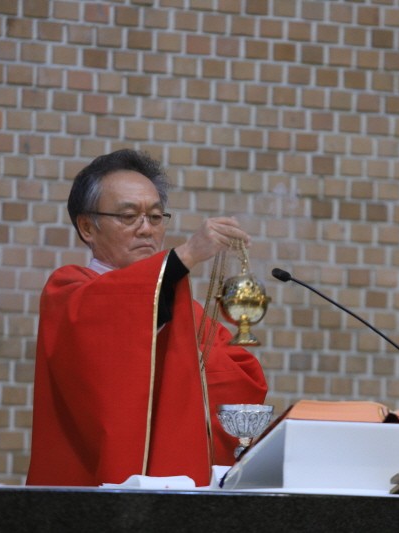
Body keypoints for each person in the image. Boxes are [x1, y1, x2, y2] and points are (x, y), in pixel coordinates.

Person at [27, 149, 268, 487]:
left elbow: (239, 385)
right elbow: (112, 318)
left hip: (179, 489)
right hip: (90, 489)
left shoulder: (190, 312)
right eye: (129, 216)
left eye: (155, 217)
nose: (146, 229)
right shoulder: (69, 292)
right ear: (87, 227)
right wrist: (187, 254)